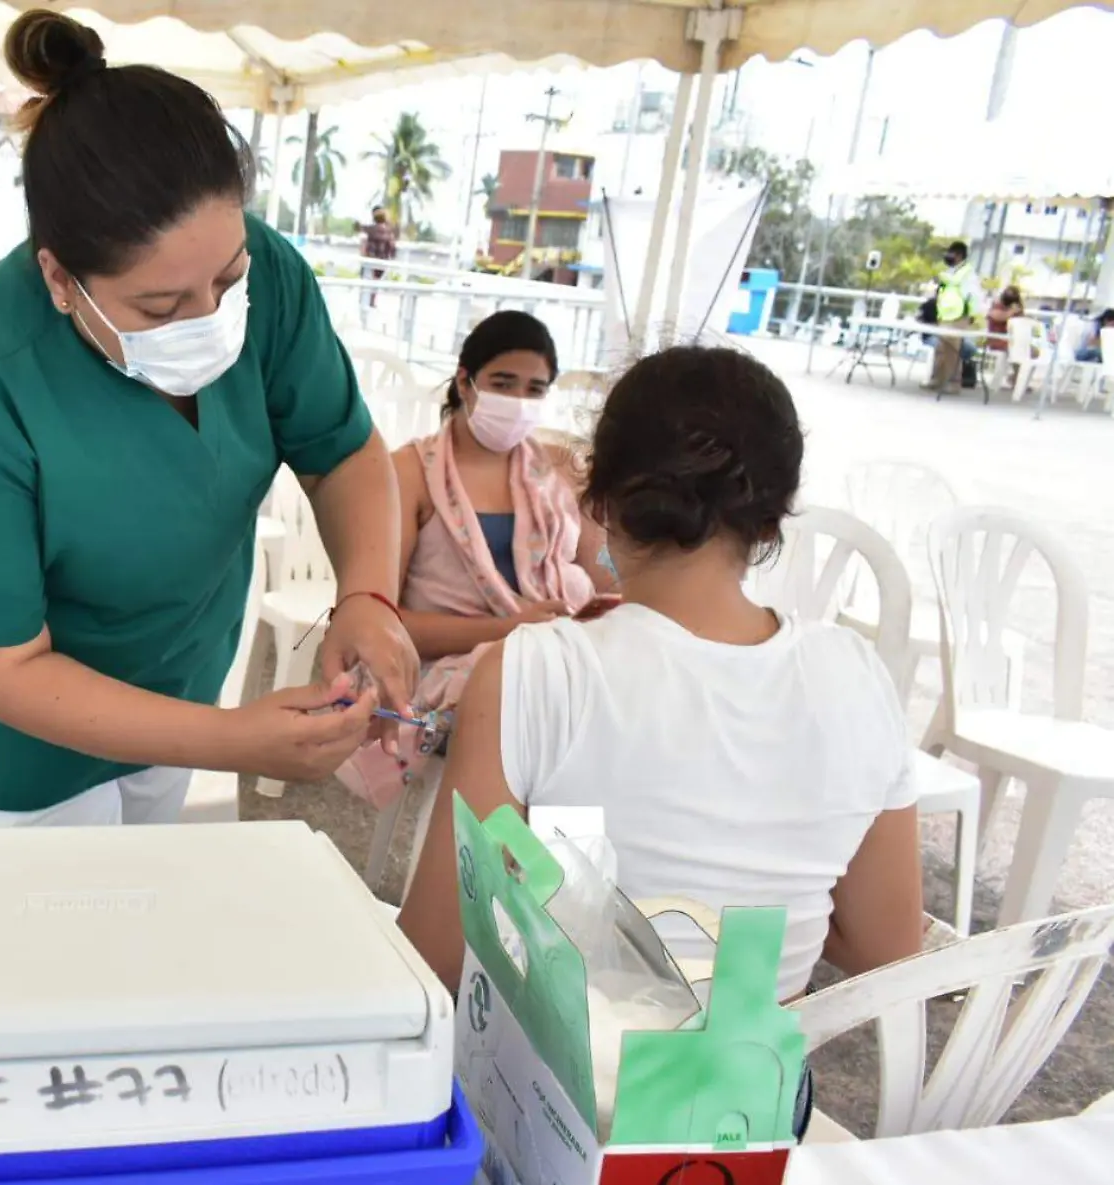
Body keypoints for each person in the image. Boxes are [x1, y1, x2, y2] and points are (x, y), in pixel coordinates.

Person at [0, 8, 419, 829]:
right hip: (14, 746)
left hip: (182, 684)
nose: (211, 317)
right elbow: (5, 667)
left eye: (226, 279)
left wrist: (369, 596)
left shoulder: (268, 276)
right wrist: (234, 739)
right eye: (160, 306)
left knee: (143, 915)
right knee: (58, 943)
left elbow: (340, 451)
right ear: (60, 279)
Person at [399, 345, 923, 1004]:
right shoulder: (856, 676)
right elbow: (888, 944)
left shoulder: (536, 671)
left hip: (559, 1098)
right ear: (775, 512)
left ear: (600, 495)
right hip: (753, 1098)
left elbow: (437, 955)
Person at [340, 312, 615, 809]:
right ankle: (502, 863)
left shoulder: (557, 471)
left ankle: (576, 862)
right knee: (546, 722)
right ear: (465, 381)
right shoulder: (410, 471)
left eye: (535, 389)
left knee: (609, 705)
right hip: (443, 671)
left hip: (545, 658)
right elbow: (386, 621)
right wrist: (510, 629)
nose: (519, 402)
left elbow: (604, 580)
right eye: (503, 384)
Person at [923, 240, 980, 395]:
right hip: (945, 315)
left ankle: (953, 383)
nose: (947, 256)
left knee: (953, 351)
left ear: (959, 255)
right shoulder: (949, 273)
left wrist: (972, 314)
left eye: (951, 253)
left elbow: (973, 296)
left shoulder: (967, 274)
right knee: (941, 350)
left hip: (959, 316)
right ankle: (937, 379)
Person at [359, 207, 398, 310]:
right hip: (382, 260)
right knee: (376, 282)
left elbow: (360, 228)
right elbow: (392, 247)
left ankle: (364, 302)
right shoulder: (389, 232)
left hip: (371, 259)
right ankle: (372, 301)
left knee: (366, 282)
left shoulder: (372, 229)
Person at [984, 285, 1024, 352]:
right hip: (997, 340)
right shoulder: (997, 305)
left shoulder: (1017, 309)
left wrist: (1018, 311)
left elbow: (1021, 321)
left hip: (1012, 340)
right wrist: (1012, 311)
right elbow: (998, 316)